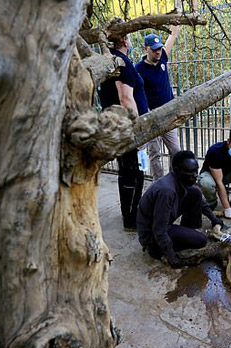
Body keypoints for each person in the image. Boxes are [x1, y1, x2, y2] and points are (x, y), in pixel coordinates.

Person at [136, 151, 223, 268]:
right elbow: (159, 230)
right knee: (201, 241)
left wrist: (214, 219)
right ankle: (156, 250)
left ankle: (186, 231)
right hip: (151, 235)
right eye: (190, 172)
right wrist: (172, 258)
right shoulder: (167, 192)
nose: (195, 175)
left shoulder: (182, 181)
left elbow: (201, 202)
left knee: (195, 192)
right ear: (177, 171)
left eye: (196, 171)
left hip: (162, 224)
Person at [98, 33, 148, 230]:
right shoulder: (122, 63)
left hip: (115, 124)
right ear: (125, 41)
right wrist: (138, 130)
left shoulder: (107, 61)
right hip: (127, 128)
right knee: (132, 173)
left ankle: (131, 214)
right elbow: (125, 98)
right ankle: (131, 218)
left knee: (131, 171)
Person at [135, 26, 181, 179]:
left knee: (176, 150)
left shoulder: (163, 58)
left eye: (159, 48)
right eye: (154, 49)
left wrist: (175, 29)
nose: (158, 51)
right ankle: (159, 183)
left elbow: (171, 40)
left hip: (169, 117)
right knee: (154, 154)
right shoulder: (139, 69)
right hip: (152, 118)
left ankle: (174, 180)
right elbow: (137, 94)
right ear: (146, 48)